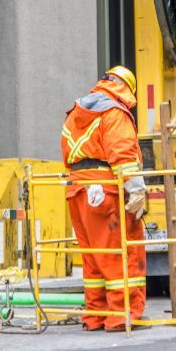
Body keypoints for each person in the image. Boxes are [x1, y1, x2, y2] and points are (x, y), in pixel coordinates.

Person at [61, 65, 147, 332]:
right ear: (126, 90)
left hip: (77, 190)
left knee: (93, 258)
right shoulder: (114, 113)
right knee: (120, 253)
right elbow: (123, 156)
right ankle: (122, 316)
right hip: (106, 190)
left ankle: (95, 315)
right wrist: (137, 191)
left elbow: (67, 156)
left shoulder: (75, 113)